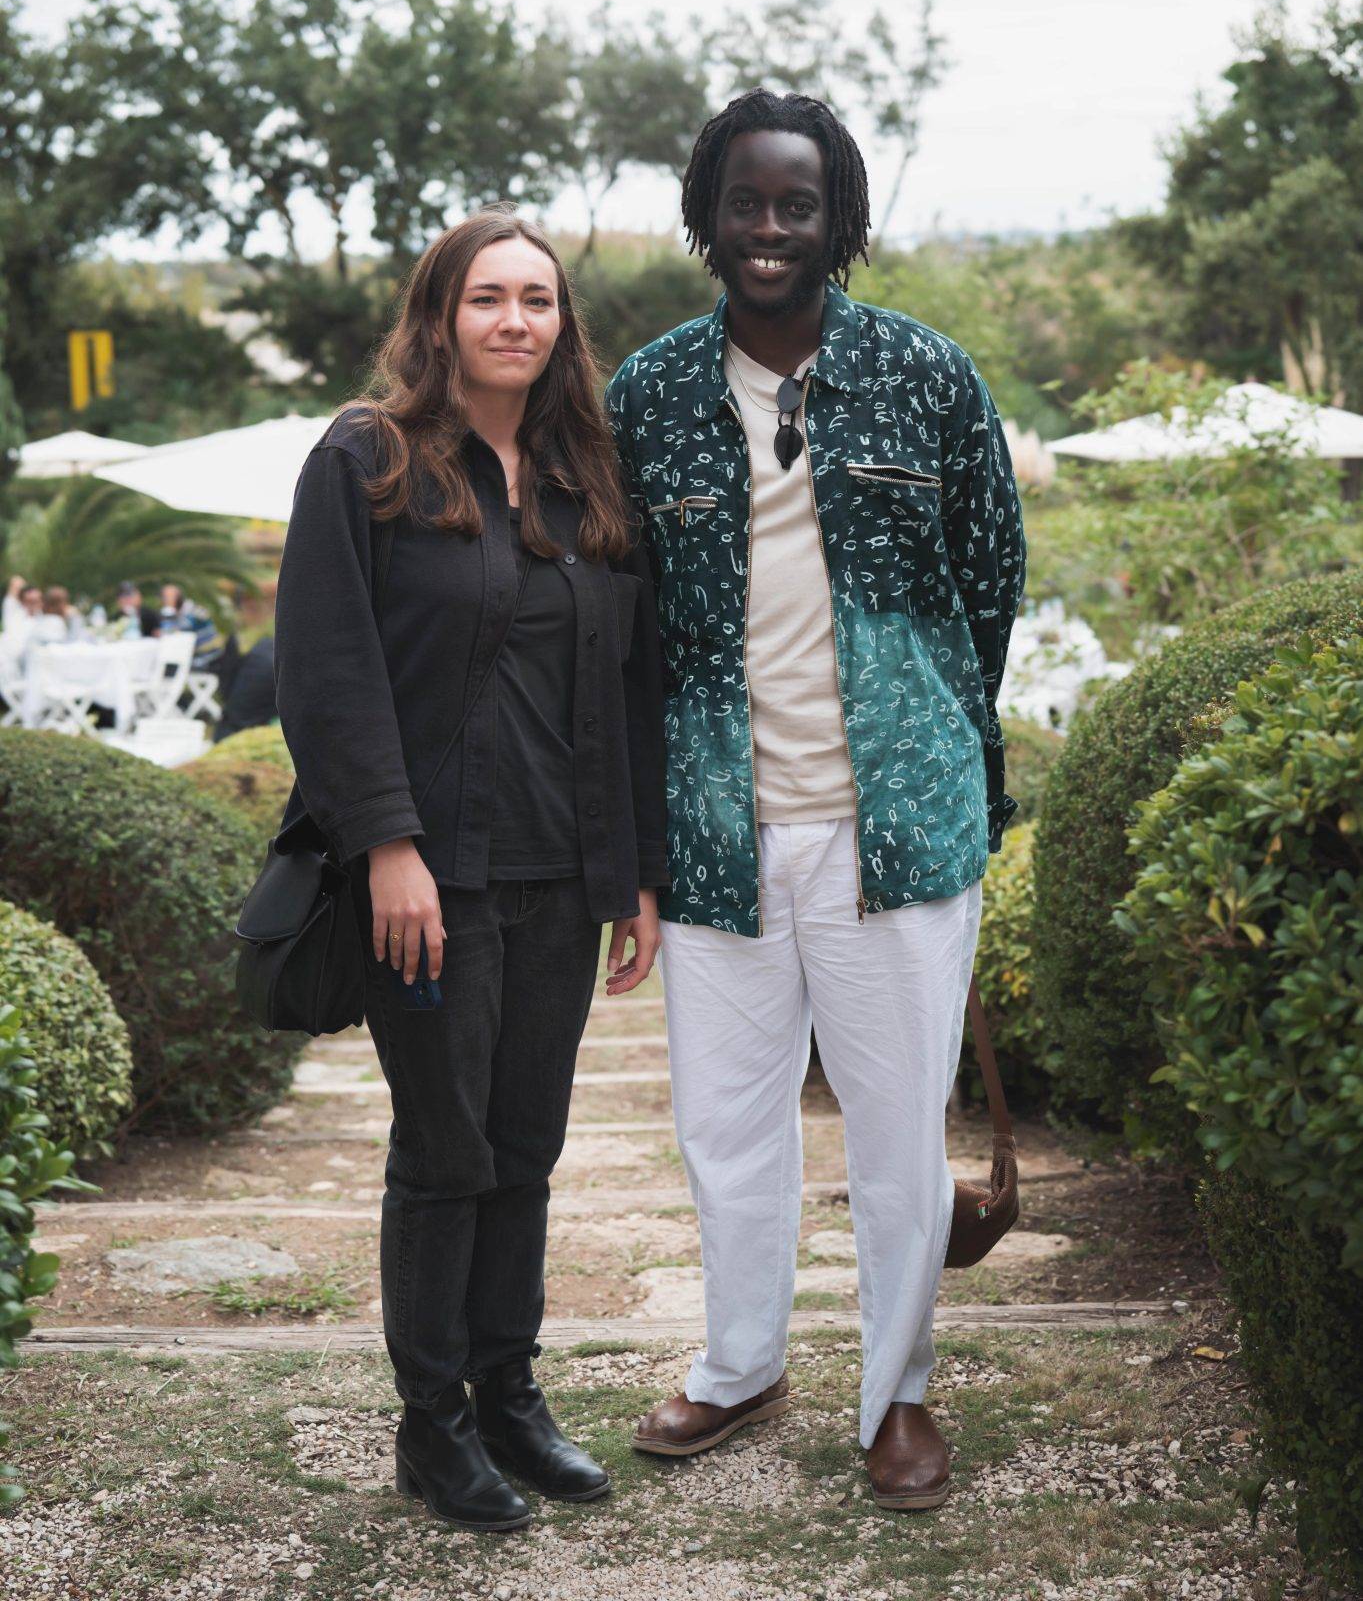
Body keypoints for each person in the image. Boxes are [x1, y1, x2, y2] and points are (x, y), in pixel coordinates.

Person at [606, 89, 1026, 1513]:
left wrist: (944, 745)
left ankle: (896, 1392)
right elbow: (620, 618)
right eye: (744, 203)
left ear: (837, 219)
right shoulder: (648, 395)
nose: (768, 229)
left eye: (796, 204)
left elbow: (989, 580)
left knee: (898, 1126)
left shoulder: (924, 375)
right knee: (725, 1122)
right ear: (705, 218)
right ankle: (738, 1364)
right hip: (719, 829)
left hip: (893, 825)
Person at [273, 207, 668, 1534]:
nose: (515, 321)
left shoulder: (581, 478)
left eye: (538, 301)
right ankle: (431, 1426)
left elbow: (625, 690)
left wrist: (632, 874)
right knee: (444, 1149)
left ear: (562, 325)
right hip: (430, 876)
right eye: (488, 297)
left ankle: (510, 1393)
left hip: (559, 874)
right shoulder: (365, 461)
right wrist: (387, 844)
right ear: (438, 315)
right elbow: (327, 672)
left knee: (527, 1144)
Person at [158, 583, 224, 668]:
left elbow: (177, 632)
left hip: (209, 654)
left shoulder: (192, 611)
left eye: (169, 596)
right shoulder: (172, 613)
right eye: (164, 596)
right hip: (193, 652)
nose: (165, 599)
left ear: (179, 596)